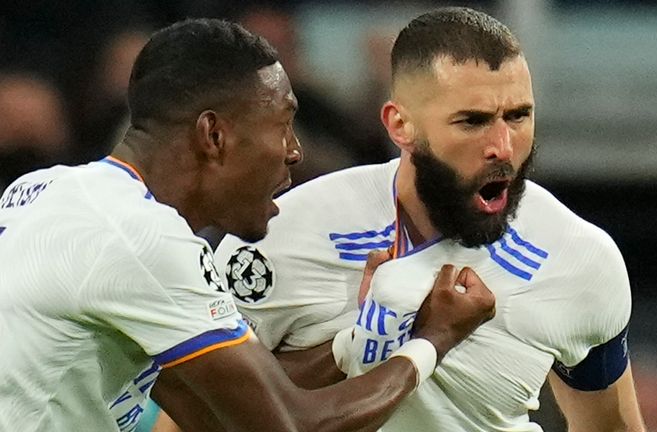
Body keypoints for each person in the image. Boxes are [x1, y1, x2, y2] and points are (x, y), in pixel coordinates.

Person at [0, 18, 496, 432]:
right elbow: (291, 426)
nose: (295, 151)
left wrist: (359, 340)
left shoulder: (46, 190)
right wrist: (435, 338)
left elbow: (215, 419)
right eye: (282, 124)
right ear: (213, 135)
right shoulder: (144, 240)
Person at [214, 7, 646, 432]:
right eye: (472, 121)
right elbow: (200, 417)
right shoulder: (276, 238)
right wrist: (361, 342)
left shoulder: (579, 257)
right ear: (400, 124)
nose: (503, 146)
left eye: (519, 116)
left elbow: (610, 426)